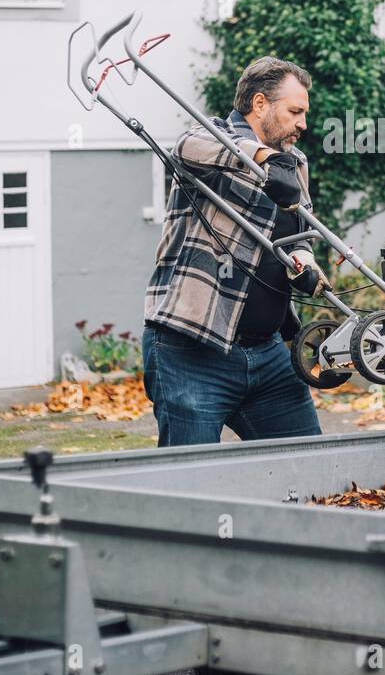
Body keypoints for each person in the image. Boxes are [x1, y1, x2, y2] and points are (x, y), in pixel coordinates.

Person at [141, 56, 329, 447]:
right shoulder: (210, 137)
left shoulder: (295, 163)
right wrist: (265, 158)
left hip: (268, 354)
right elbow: (187, 146)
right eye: (295, 111)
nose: (303, 124)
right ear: (260, 104)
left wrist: (305, 262)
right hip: (191, 352)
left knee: (307, 466)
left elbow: (299, 232)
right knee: (191, 481)